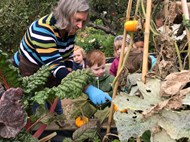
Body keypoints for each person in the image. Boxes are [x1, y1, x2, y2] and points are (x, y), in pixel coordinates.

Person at [12, 0, 111, 115]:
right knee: (37, 111)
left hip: (51, 69)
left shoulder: (69, 28)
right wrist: (87, 88)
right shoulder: (42, 29)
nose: (80, 25)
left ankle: (58, 121)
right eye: (78, 20)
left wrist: (69, 69)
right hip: (30, 73)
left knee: (56, 108)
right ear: (65, 15)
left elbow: (67, 55)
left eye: (83, 21)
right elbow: (56, 67)